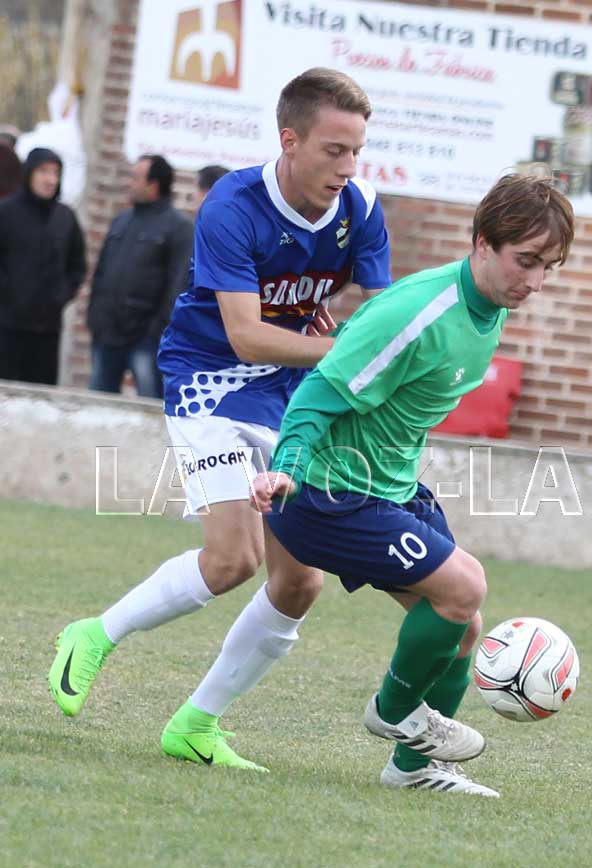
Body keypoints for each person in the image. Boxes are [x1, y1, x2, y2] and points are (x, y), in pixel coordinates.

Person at [48, 68, 391, 769]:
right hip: (211, 382)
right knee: (234, 558)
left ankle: (196, 724)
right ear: (290, 141)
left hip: (292, 392)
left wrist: (359, 345)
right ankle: (94, 634)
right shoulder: (233, 205)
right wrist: (345, 349)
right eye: (334, 150)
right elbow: (246, 337)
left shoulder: (360, 207)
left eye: (357, 150)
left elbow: (381, 316)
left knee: (300, 582)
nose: (348, 167)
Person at [250, 173, 575, 795]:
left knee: (465, 624)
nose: (535, 282)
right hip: (327, 491)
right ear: (483, 243)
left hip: (388, 489)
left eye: (547, 267)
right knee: (464, 585)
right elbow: (319, 391)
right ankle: (393, 711)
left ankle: (413, 768)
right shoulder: (419, 310)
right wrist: (286, 465)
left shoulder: (489, 309)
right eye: (526, 260)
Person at [87, 154, 194, 398]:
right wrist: (95, 318)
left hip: (146, 339)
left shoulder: (179, 228)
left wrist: (156, 331)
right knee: (97, 405)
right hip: (107, 334)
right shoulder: (121, 221)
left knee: (149, 404)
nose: (129, 183)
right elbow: (101, 273)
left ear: (153, 185)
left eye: (135, 178)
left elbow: (178, 285)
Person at [0, 147, 86, 384]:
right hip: (7, 325)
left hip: (47, 328)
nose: (50, 180)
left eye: (56, 173)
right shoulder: (6, 212)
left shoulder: (65, 217)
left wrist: (61, 294)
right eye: (44, 172)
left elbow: (77, 265)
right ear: (29, 174)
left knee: (41, 394)